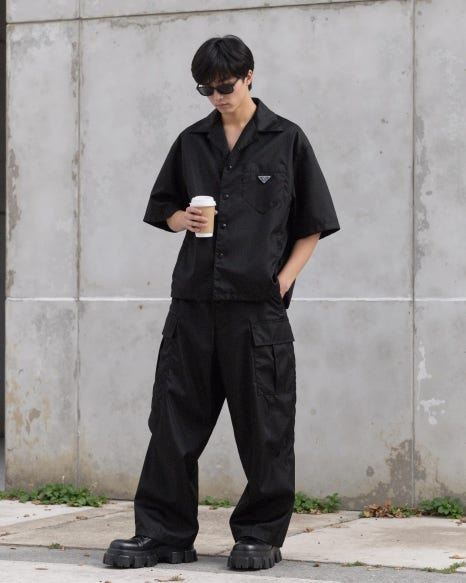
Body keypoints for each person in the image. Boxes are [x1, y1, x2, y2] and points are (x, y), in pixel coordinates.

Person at [103, 34, 340, 572]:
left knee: (265, 426)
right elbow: (163, 207)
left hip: (256, 311)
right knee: (172, 422)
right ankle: (163, 533)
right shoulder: (192, 142)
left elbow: (313, 224)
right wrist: (180, 219)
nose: (217, 97)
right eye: (205, 90)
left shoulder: (286, 140)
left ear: (249, 76)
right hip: (192, 305)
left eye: (225, 86)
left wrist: (282, 281)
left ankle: (259, 533)